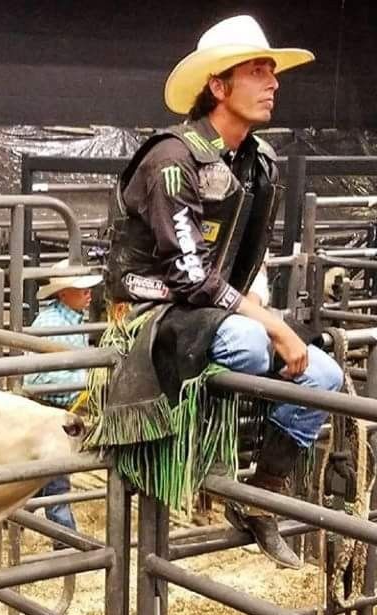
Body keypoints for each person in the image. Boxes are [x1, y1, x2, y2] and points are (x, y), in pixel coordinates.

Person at [96, 15, 343, 569]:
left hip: (212, 308)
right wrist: (271, 322)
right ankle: (212, 462)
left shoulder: (256, 162)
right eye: (257, 71)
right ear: (218, 86)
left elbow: (233, 263)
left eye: (272, 72)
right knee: (252, 346)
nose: (272, 82)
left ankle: (264, 496)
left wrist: (261, 313)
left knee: (325, 375)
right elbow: (187, 276)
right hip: (153, 308)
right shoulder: (171, 159)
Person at [24, 259, 102, 543]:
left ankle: (17, 519)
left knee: (37, 477)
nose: (89, 294)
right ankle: (66, 540)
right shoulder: (52, 324)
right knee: (56, 479)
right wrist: (83, 381)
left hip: (57, 411)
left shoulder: (69, 320)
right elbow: (32, 380)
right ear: (63, 293)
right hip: (50, 413)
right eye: (81, 290)